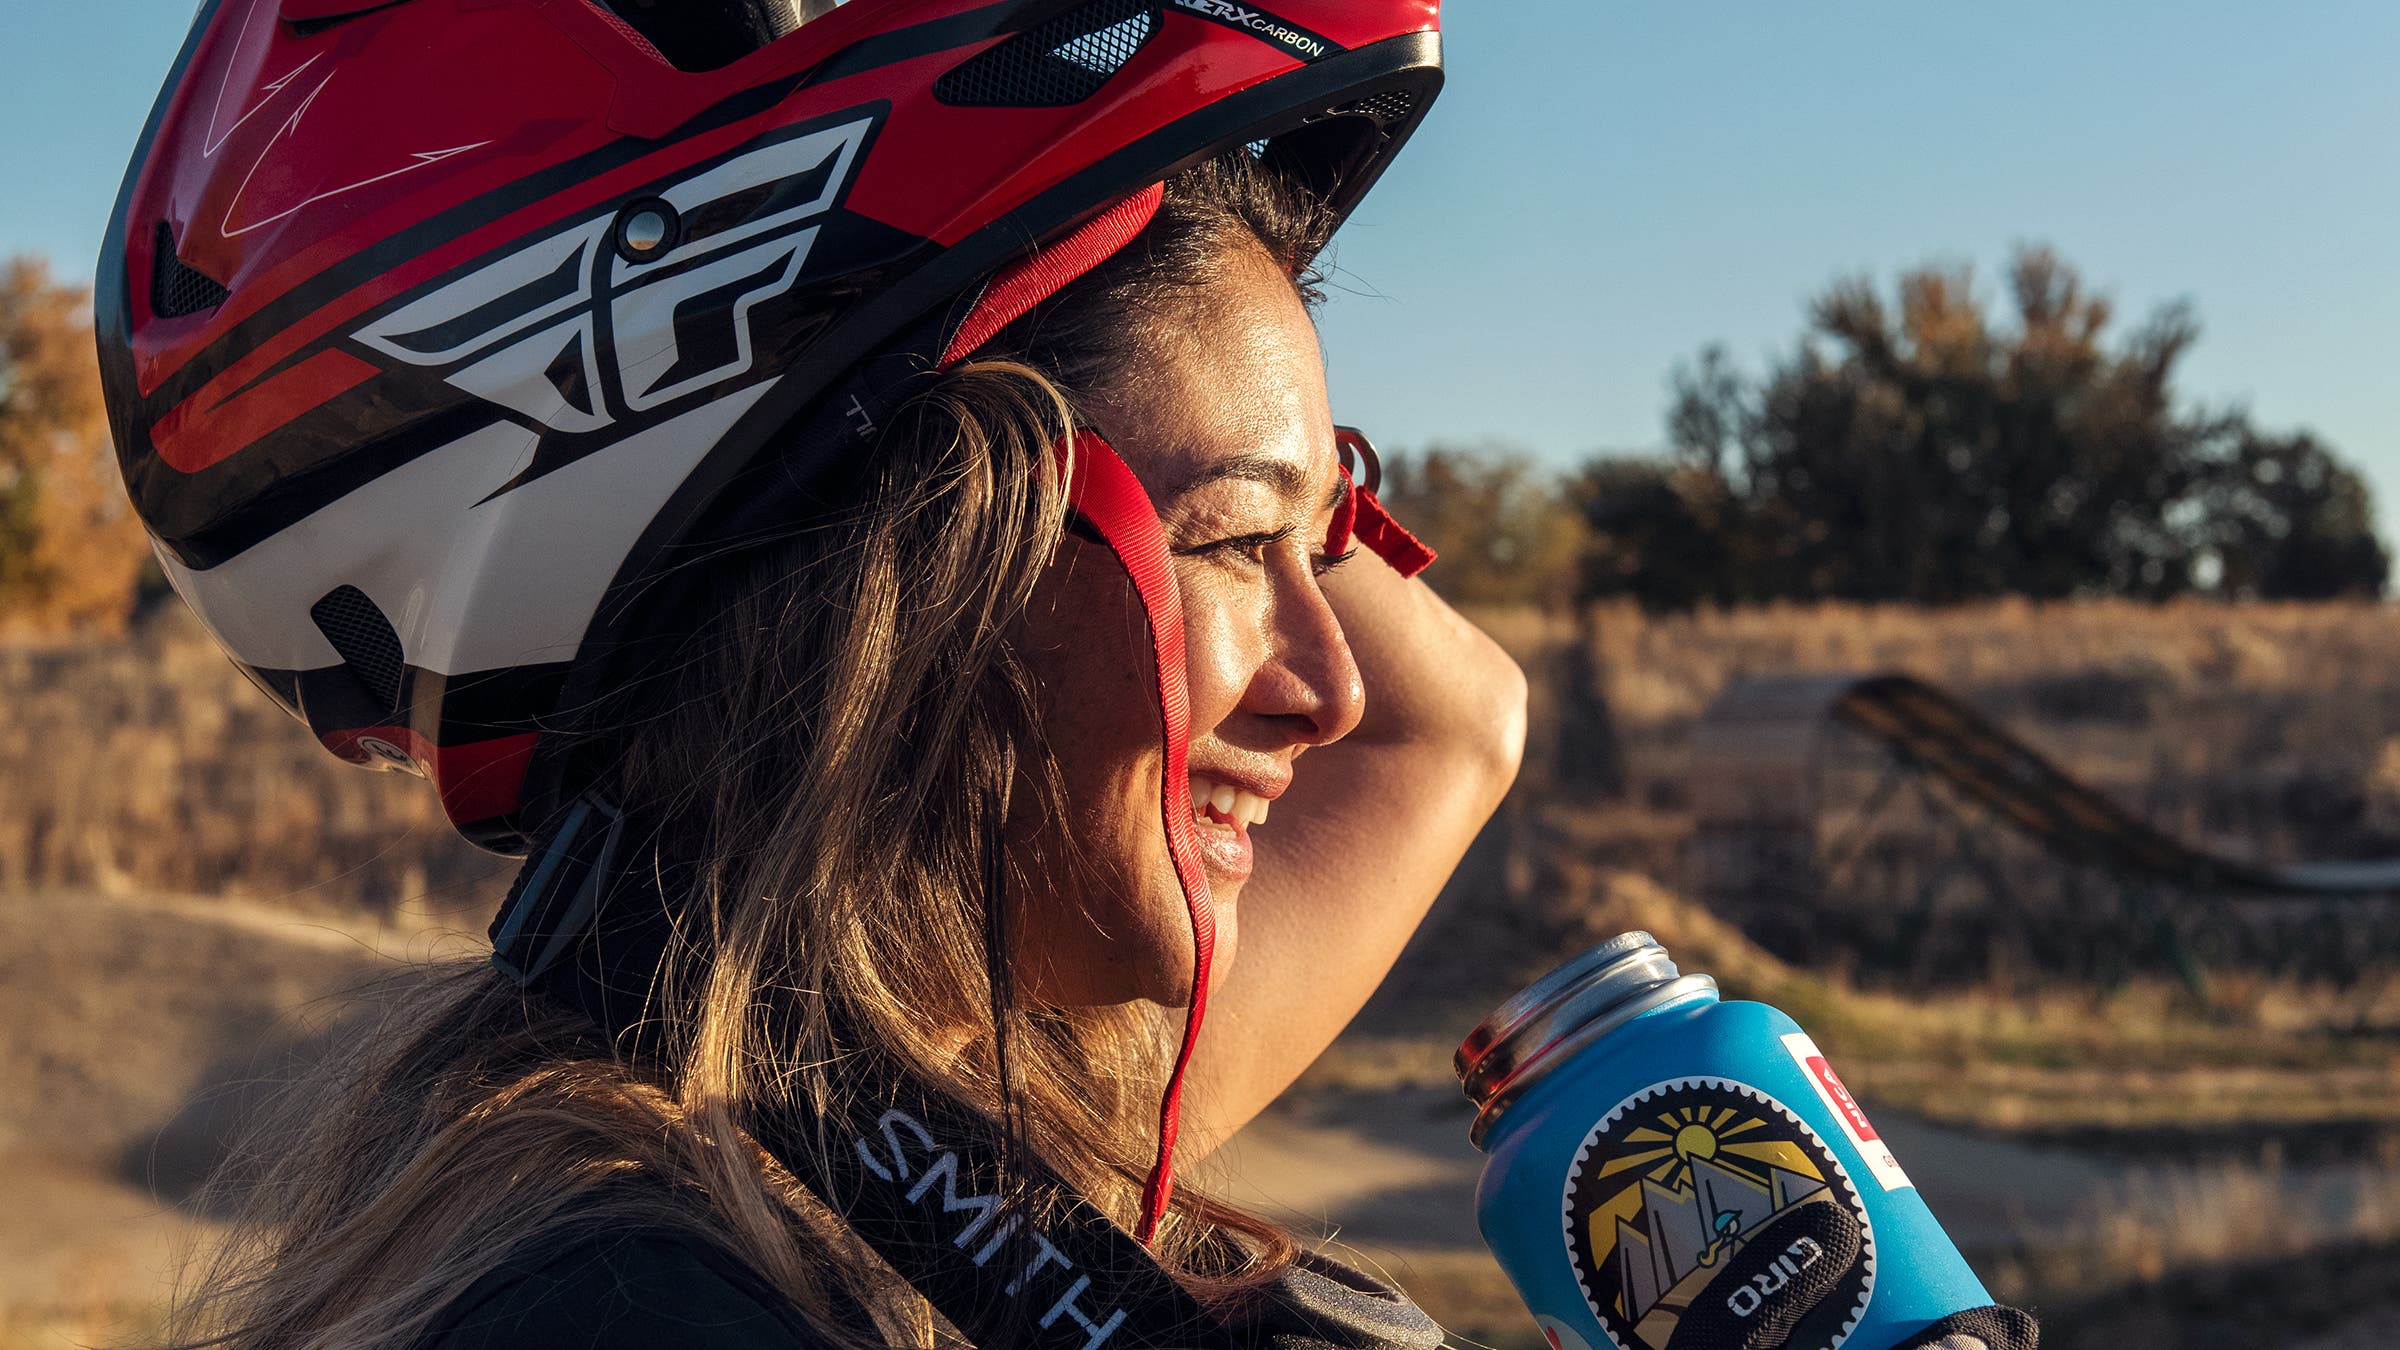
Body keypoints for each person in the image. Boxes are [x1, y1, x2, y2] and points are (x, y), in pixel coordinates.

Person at [103, 2, 1525, 1346]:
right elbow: (1437, 725)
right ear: (916, 562)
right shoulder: (647, 1306)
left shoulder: (909, 1130)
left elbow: (1454, 721)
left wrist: (1101, 271)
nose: (1329, 685)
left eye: (1324, 537)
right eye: (1236, 541)